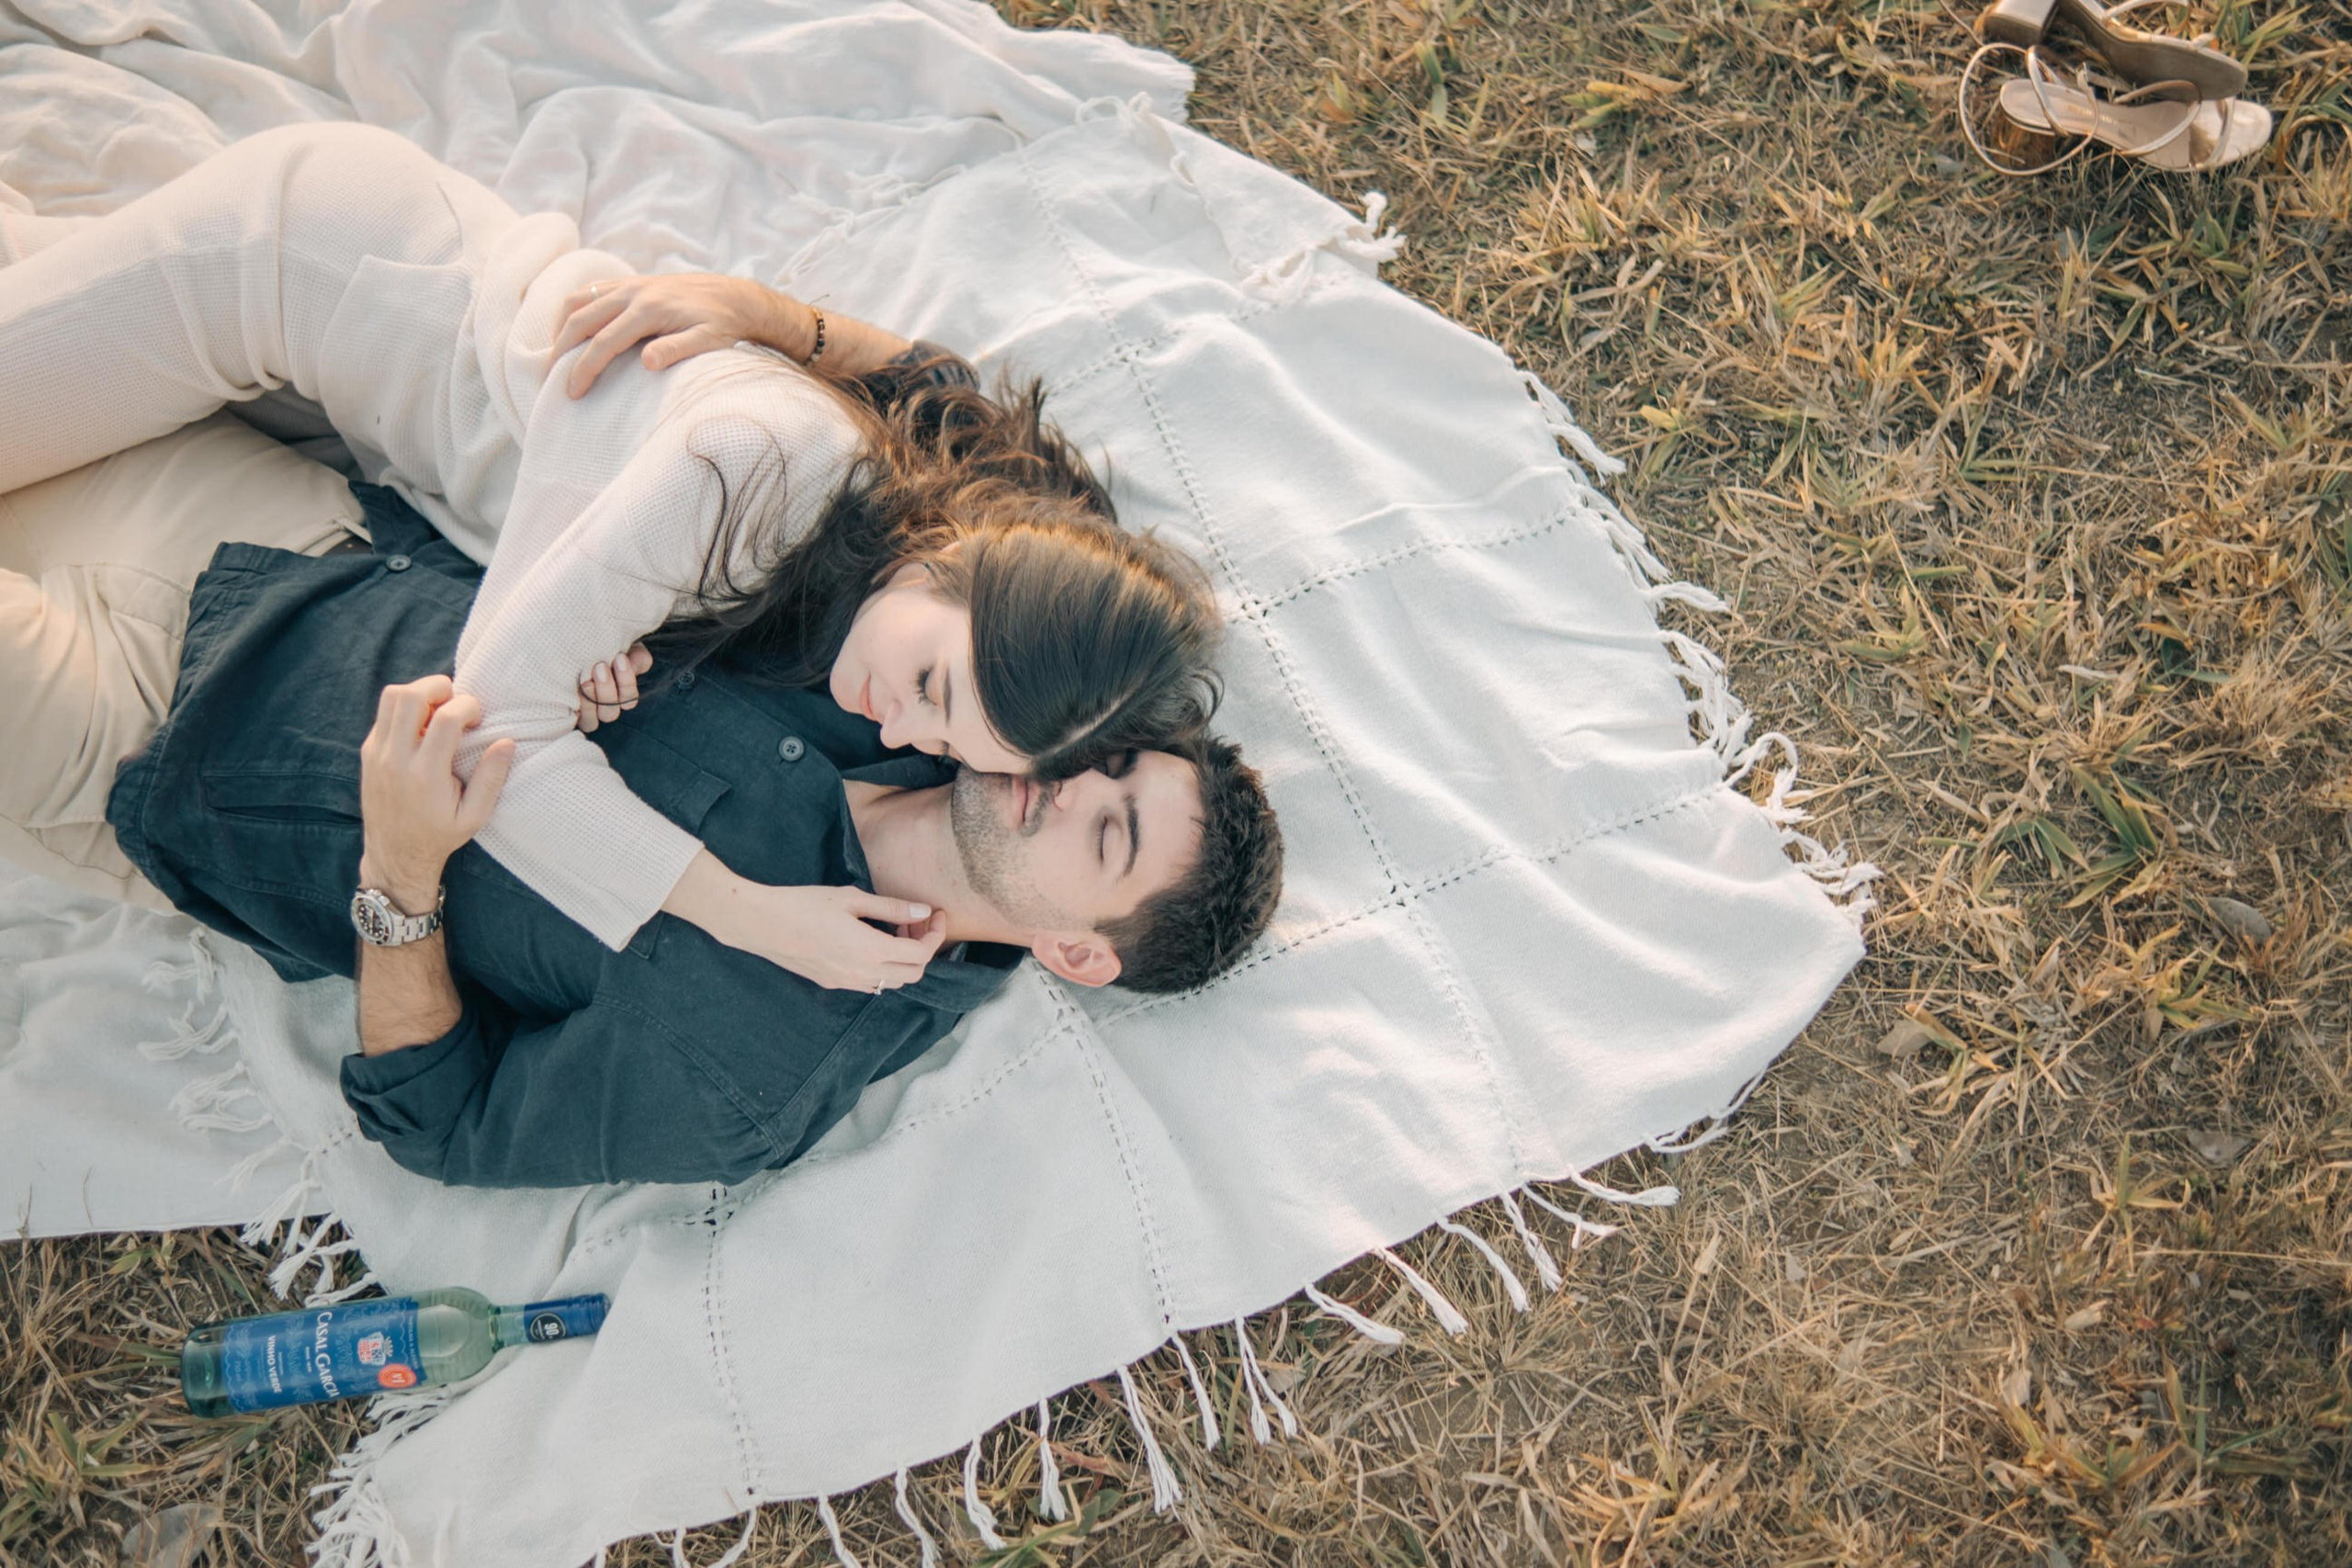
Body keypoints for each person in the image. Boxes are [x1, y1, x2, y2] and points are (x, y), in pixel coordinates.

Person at [0, 120, 1222, 998]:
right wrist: (757, 920)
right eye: (936, 690)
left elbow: (944, 392)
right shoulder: (754, 464)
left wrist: (778, 330)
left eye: (950, 744)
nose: (906, 730)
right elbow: (497, 737)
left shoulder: (938, 561)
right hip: (297, 272)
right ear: (955, 557)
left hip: (367, 423)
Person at [1, 418, 1283, 1188]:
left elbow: (445, 1125)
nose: (1054, 789)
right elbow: (945, 441)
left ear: (1076, 954)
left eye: (1101, 835)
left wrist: (400, 881)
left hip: (158, 742)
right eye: (1097, 765)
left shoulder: (765, 1064)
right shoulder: (923, 692)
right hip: (298, 536)